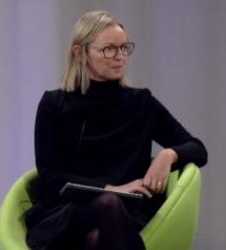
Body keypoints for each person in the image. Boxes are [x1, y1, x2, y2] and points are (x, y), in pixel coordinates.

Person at [23, 10, 208, 250]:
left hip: (127, 212)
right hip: (67, 211)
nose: (119, 57)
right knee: (107, 205)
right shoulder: (54, 104)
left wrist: (167, 155)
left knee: (97, 239)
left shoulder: (141, 103)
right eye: (108, 49)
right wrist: (111, 190)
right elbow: (49, 175)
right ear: (80, 53)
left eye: (124, 48)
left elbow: (198, 148)